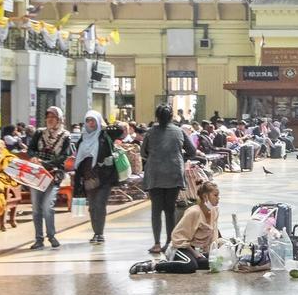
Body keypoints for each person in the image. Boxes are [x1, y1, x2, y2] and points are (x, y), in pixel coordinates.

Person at [132, 180, 221, 275]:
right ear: (205, 196)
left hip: (197, 250)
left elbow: (214, 234)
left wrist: (214, 250)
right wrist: (195, 254)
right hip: (180, 247)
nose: (218, 198)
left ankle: (188, 261)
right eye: (215, 195)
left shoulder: (214, 211)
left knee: (215, 262)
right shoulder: (194, 212)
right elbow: (178, 237)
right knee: (190, 266)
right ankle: (154, 265)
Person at [141, 104, 192, 254]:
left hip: (155, 175)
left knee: (156, 210)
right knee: (170, 210)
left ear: (156, 117)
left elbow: (143, 153)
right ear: (171, 117)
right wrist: (180, 158)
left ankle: (157, 243)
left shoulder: (150, 133)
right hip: (174, 174)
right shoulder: (179, 131)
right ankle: (170, 242)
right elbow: (192, 151)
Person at [24, 107, 73, 250]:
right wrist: (33, 157)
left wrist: (47, 163)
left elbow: (64, 156)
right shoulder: (39, 133)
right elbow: (31, 149)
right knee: (36, 208)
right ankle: (38, 239)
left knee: (47, 207)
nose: (50, 119)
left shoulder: (65, 136)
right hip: (37, 174)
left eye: (53, 117)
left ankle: (51, 236)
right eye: (48, 116)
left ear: (59, 119)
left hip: (53, 174)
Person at [72, 110, 122, 244]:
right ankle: (96, 232)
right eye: (88, 120)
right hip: (88, 178)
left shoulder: (104, 136)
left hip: (104, 178)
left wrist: (107, 127)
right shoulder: (83, 139)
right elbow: (79, 159)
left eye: (93, 120)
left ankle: (99, 233)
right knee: (92, 207)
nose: (90, 123)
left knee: (100, 205)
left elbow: (119, 131)